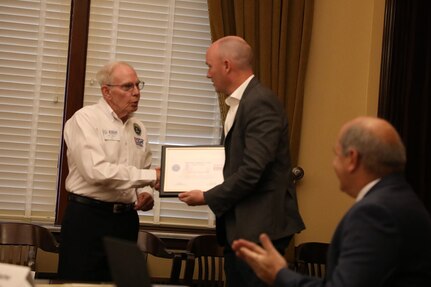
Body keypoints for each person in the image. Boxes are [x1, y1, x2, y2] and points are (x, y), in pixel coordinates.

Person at [232, 116, 431, 287]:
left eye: (336, 155)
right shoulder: (404, 201)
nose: (333, 164)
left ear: (352, 159)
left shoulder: (375, 213)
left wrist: (279, 275)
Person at [178, 36, 305, 287]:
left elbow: (252, 171)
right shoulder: (242, 102)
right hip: (243, 227)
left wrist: (206, 196)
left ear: (226, 65)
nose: (208, 74)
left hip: (260, 228)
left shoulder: (259, 102)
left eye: (209, 66)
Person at [58, 61, 160, 282]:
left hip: (126, 220)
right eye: (127, 87)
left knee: (123, 284)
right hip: (88, 219)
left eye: (138, 85)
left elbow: (143, 168)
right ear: (106, 91)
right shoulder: (85, 119)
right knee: (80, 285)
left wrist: (147, 193)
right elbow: (96, 171)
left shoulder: (138, 127)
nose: (136, 93)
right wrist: (152, 178)